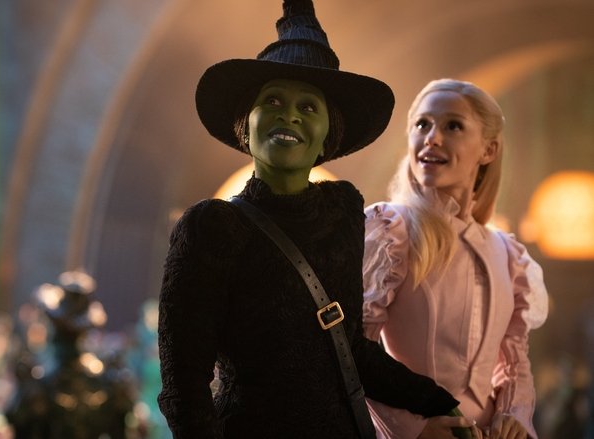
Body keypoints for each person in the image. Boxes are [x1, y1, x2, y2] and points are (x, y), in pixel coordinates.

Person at [157, 1, 466, 437]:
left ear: (327, 136)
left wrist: (440, 403)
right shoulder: (211, 227)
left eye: (308, 107)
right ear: (246, 124)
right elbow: (183, 388)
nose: (289, 114)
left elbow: (351, 349)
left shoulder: (342, 212)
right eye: (273, 100)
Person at [362, 78, 549, 439]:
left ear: (488, 150)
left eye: (452, 126)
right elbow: (355, 352)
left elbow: (514, 363)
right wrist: (414, 430)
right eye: (422, 124)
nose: (432, 137)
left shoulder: (508, 254)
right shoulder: (390, 231)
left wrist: (514, 415)